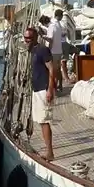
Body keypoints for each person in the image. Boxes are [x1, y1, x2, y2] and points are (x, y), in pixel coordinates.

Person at [24, 26, 56, 160]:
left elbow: (52, 69)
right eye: (25, 38)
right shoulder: (31, 51)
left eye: (29, 38)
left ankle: (50, 153)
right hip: (36, 89)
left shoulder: (42, 50)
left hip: (43, 89)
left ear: (36, 37)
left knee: (44, 121)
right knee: (41, 120)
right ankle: (48, 149)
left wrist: (50, 89)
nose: (27, 41)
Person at [48, 9, 68, 91]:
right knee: (58, 70)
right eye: (62, 15)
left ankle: (54, 86)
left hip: (53, 51)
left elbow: (50, 39)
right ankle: (59, 85)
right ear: (59, 16)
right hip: (58, 51)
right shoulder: (59, 25)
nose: (62, 17)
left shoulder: (52, 25)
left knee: (52, 70)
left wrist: (48, 49)